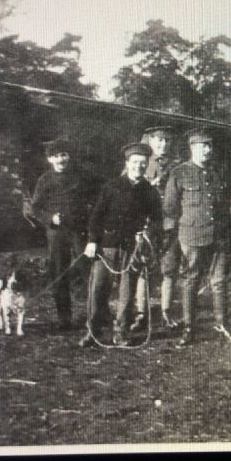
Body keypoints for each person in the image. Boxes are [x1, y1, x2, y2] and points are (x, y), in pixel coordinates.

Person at [79, 143, 162, 347]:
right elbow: (96, 217)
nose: (139, 167)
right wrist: (92, 241)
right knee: (98, 290)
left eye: (143, 163)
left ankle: (121, 333)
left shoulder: (149, 191)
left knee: (127, 292)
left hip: (132, 249)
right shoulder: (112, 186)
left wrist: (147, 236)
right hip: (107, 247)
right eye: (135, 162)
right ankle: (93, 331)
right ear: (127, 163)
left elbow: (157, 220)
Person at [164, 128, 231, 348]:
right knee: (191, 280)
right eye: (202, 146)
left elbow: (226, 204)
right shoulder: (179, 173)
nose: (207, 150)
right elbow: (170, 207)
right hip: (192, 235)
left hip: (219, 236)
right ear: (192, 148)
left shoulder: (218, 172)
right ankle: (189, 328)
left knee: (219, 281)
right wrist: (187, 224)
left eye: (209, 146)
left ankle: (222, 323)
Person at [31, 139, 101, 331]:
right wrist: (50, 218)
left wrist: (89, 214)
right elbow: (35, 208)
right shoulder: (44, 180)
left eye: (64, 154)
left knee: (89, 271)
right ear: (49, 159)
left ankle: (96, 315)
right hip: (57, 234)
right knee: (58, 272)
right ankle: (64, 318)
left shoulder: (82, 176)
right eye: (56, 156)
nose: (61, 159)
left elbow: (99, 195)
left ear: (69, 156)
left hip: (80, 231)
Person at [132, 125, 182, 331]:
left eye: (167, 140)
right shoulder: (138, 163)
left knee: (169, 269)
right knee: (144, 269)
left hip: (170, 224)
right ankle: (141, 313)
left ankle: (166, 312)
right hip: (146, 225)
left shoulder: (178, 166)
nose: (163, 144)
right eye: (159, 140)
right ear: (149, 141)